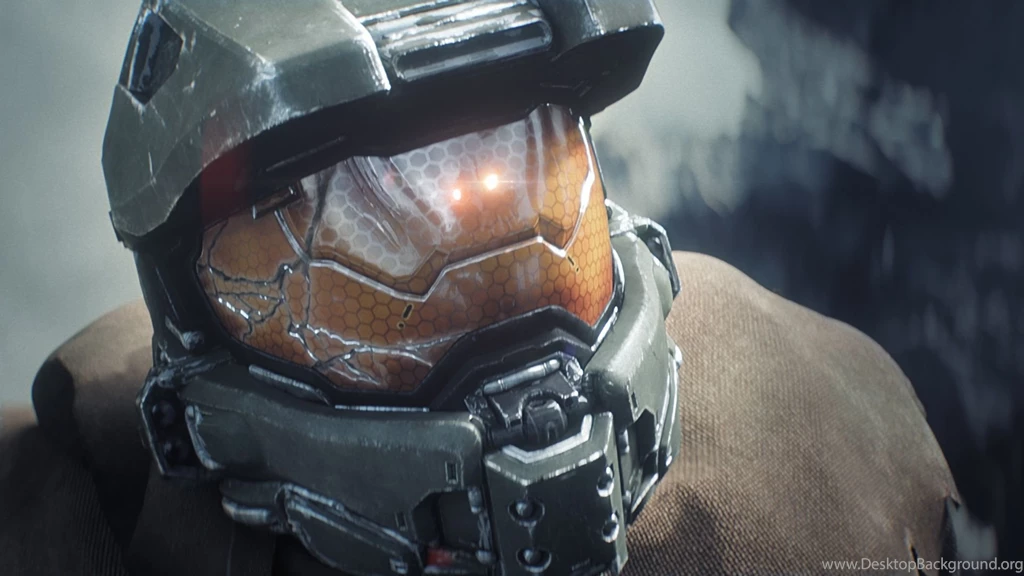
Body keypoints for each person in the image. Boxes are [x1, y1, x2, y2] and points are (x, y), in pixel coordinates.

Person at [0, 1, 962, 574]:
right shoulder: (60, 519)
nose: (487, 292)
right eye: (359, 249)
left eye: (531, 178)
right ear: (201, 321)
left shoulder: (810, 433)